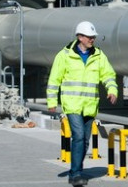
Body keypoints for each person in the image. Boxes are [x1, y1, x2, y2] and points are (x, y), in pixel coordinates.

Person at [47, 21, 118, 186]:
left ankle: (75, 171)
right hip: (72, 104)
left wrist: (112, 90)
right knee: (78, 136)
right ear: (79, 37)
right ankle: (76, 174)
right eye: (89, 37)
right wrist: (52, 101)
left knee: (85, 140)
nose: (92, 39)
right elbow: (54, 79)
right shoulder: (64, 55)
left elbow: (108, 75)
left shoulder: (99, 55)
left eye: (93, 37)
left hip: (90, 105)